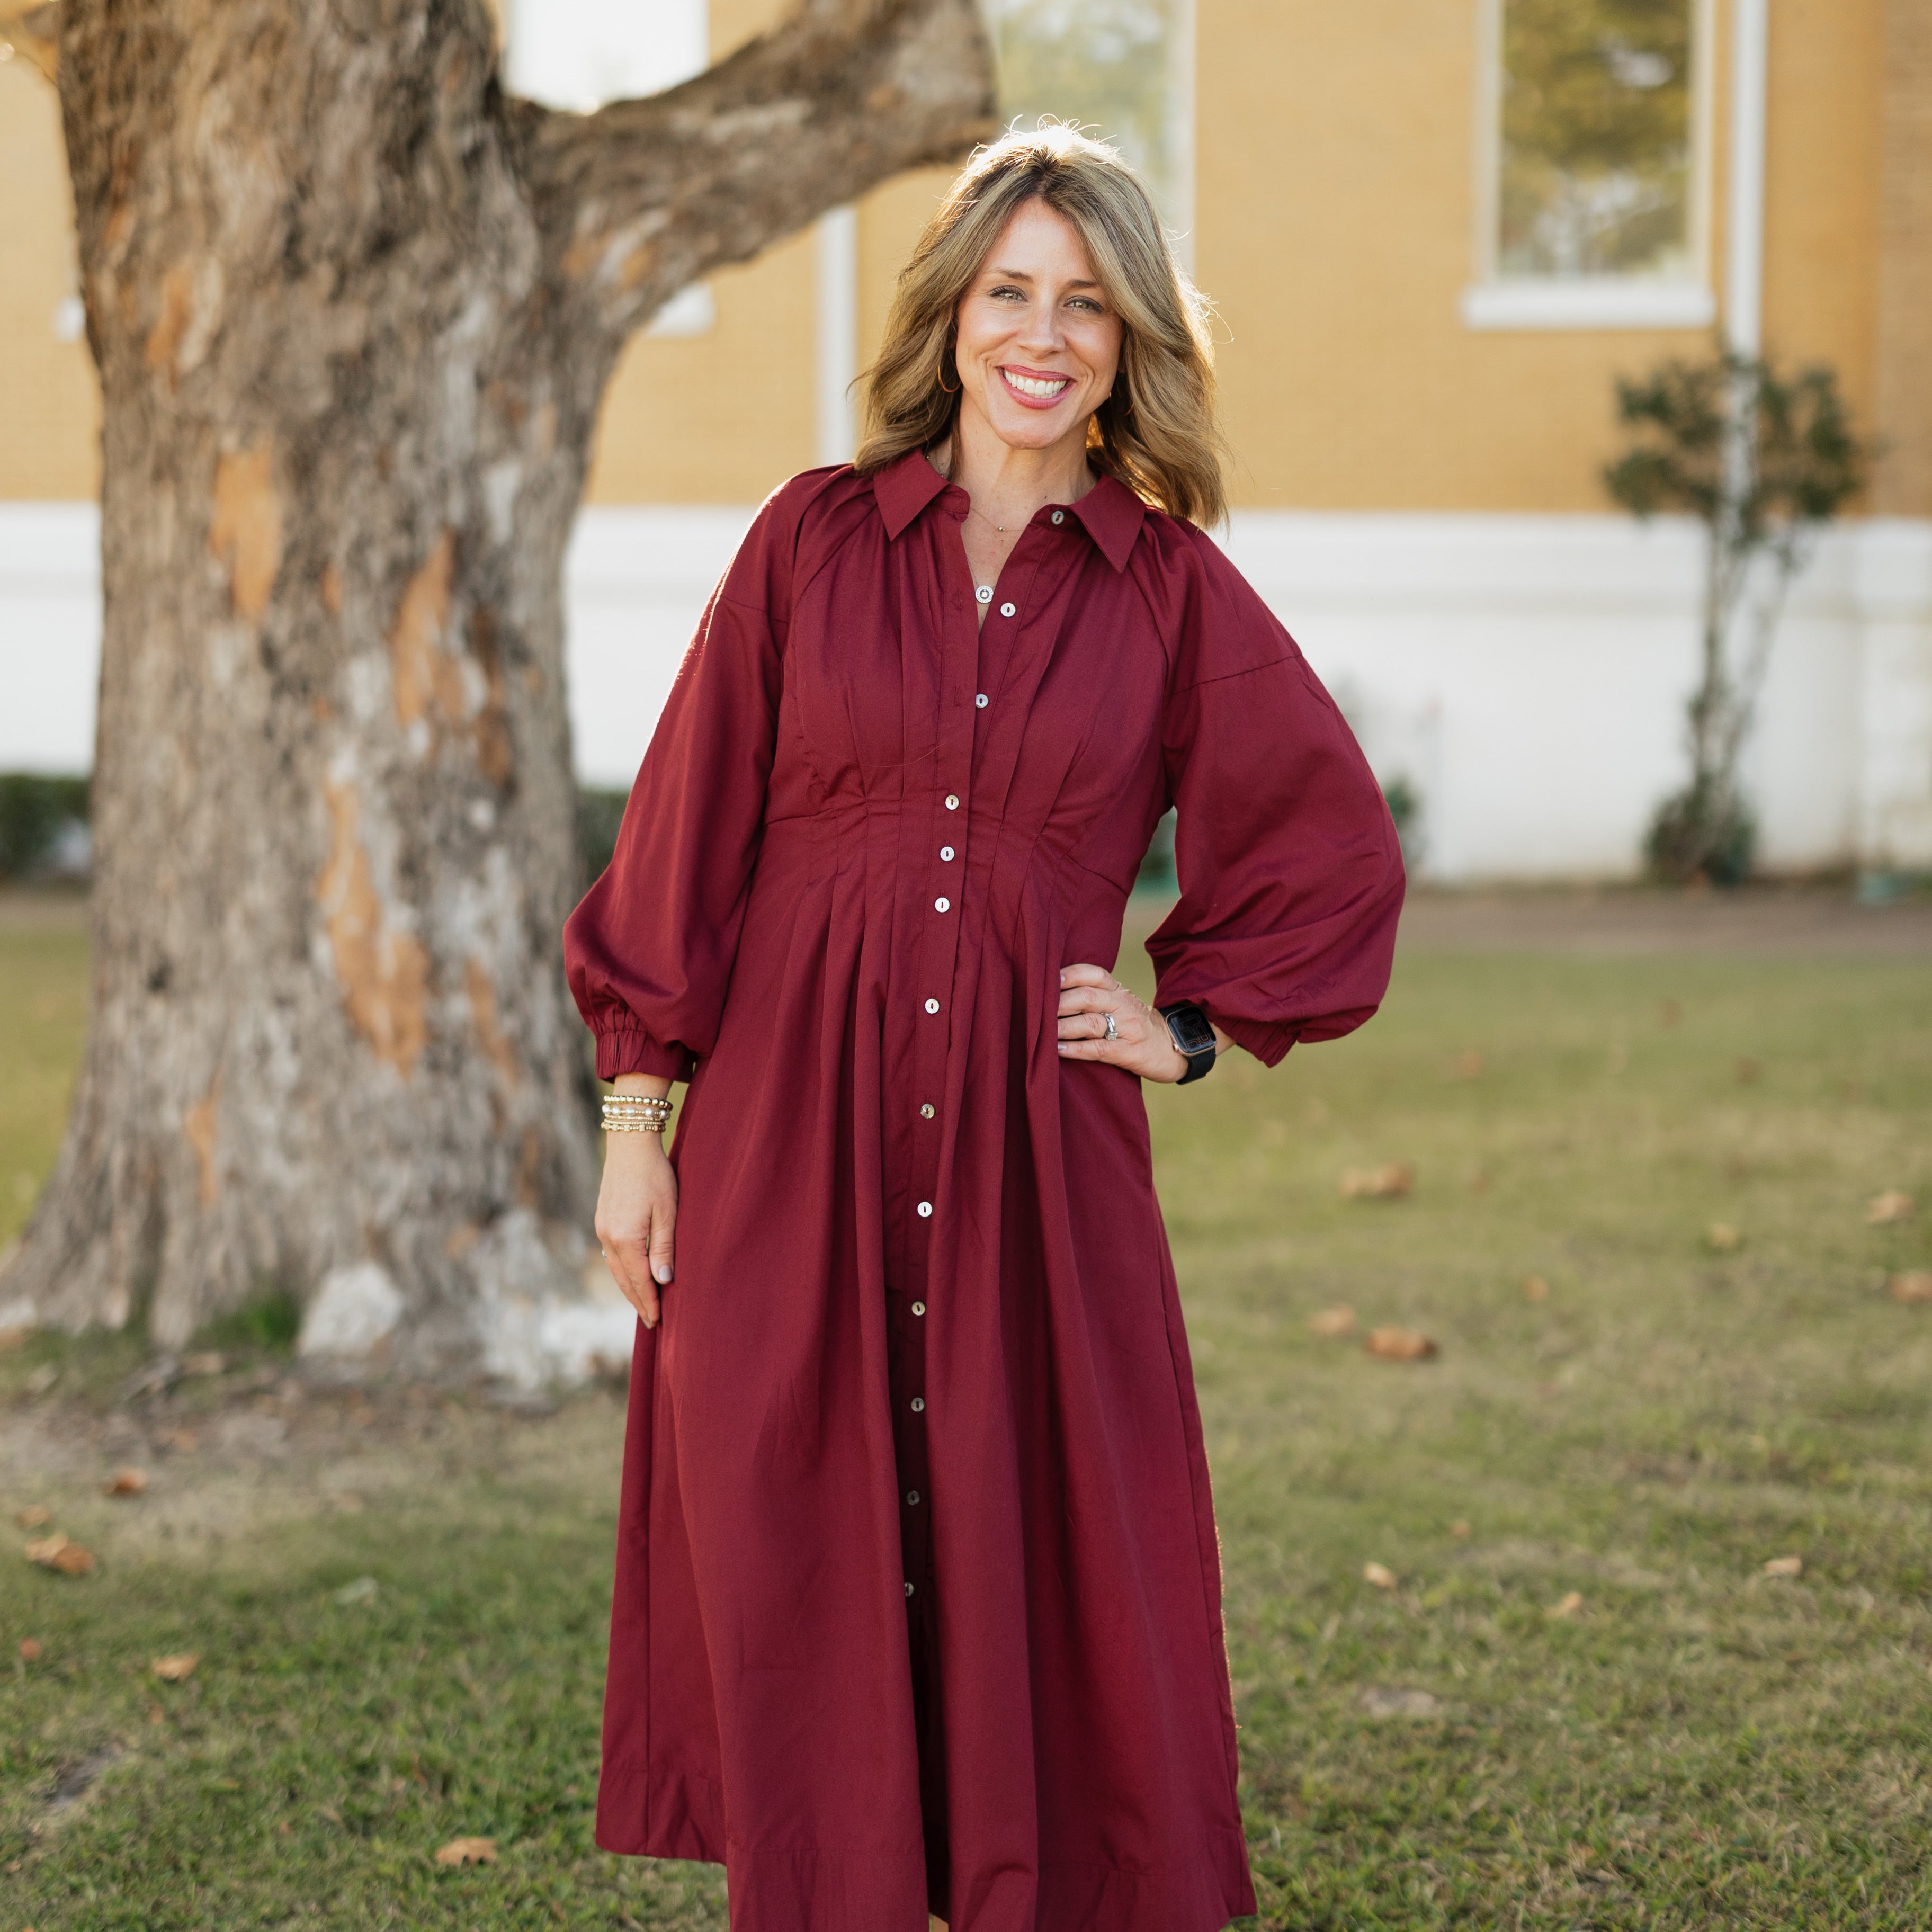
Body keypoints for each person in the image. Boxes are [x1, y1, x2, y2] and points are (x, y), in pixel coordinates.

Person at [563, 123, 1403, 1932]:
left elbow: (1331, 846)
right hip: (796, 1143)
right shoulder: (809, 544)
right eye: (1011, 291)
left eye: (1089, 304)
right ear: (953, 316)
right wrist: (638, 1134)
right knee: (801, 1555)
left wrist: (1182, 1023)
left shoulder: (1170, 593)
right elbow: (682, 843)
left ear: (1128, 344)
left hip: (1040, 1157)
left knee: (1046, 1551)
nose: (1046, 334)